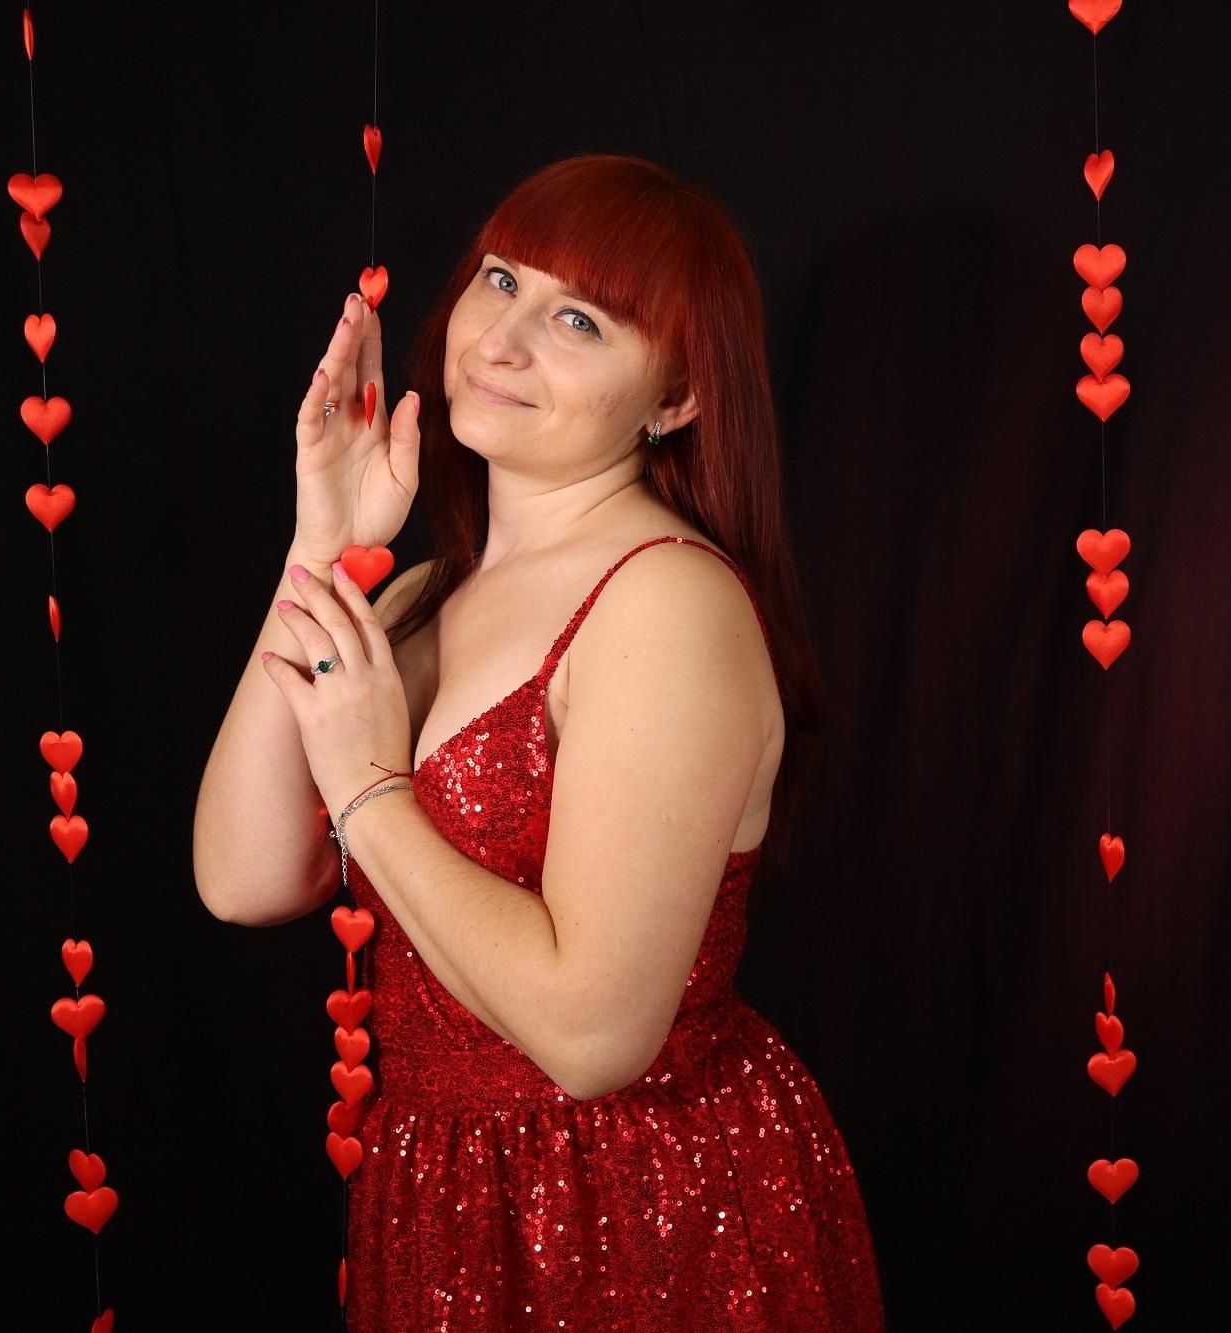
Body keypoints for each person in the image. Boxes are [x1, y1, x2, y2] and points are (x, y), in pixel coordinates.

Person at [192, 153, 886, 1330]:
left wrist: (368, 789)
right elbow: (243, 879)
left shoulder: (663, 602)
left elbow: (592, 1034)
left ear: (675, 397)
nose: (501, 341)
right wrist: (322, 545)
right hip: (443, 1192)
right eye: (501, 280)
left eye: (577, 321)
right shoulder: (418, 596)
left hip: (635, 1204)